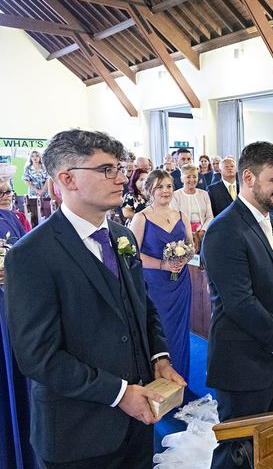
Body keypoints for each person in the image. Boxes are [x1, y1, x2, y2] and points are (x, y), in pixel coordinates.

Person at [5, 129, 185, 468]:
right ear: (67, 178)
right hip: (78, 435)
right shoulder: (31, 255)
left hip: (137, 425)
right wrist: (119, 393)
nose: (121, 178)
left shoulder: (121, 237)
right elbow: (38, 357)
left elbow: (141, 306)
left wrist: (158, 357)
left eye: (119, 167)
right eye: (106, 170)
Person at [202, 141, 273, 469]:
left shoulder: (270, 224)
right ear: (248, 178)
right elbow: (239, 302)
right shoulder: (224, 230)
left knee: (268, 447)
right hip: (242, 362)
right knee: (236, 453)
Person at [130, 169, 193, 383]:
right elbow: (133, 255)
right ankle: (158, 382)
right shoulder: (141, 218)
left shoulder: (181, 216)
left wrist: (184, 257)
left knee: (180, 332)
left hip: (180, 282)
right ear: (149, 190)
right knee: (160, 330)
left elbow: (190, 244)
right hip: (155, 285)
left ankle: (181, 380)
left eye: (168, 186)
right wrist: (163, 264)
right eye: (159, 187)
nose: (165, 191)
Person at [0, 180, 35, 469]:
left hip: (13, 305)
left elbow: (25, 254)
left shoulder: (11, 217)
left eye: (8, 191)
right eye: (1, 193)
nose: (7, 197)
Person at [170, 164, 213, 250]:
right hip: (183, 235)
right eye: (188, 177)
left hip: (203, 234)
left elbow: (210, 216)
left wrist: (203, 230)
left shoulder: (204, 194)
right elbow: (175, 218)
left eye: (194, 177)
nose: (192, 180)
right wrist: (189, 234)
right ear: (182, 178)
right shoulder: (175, 195)